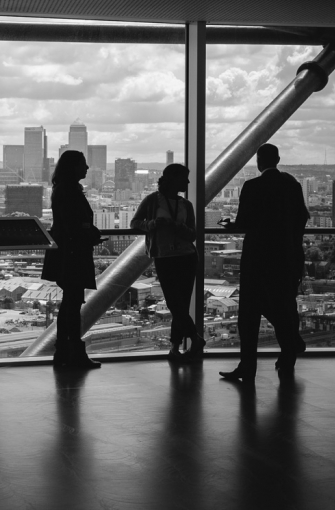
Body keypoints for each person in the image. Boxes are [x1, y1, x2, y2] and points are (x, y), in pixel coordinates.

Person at [219, 143, 309, 383]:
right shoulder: (292, 186)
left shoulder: (252, 186)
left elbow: (245, 223)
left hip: (257, 257)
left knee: (249, 314)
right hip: (286, 256)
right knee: (283, 304)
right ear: (278, 159)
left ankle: (248, 367)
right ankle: (288, 353)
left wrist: (230, 226)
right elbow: (302, 218)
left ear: (259, 161)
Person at [131, 163, 205, 362]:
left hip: (186, 256)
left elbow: (192, 235)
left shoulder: (186, 205)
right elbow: (135, 223)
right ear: (173, 179)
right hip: (166, 257)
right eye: (184, 178)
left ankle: (175, 348)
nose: (188, 182)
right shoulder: (152, 201)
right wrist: (153, 224)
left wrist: (175, 226)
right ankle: (195, 338)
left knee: (179, 304)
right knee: (176, 304)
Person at [41, 150, 102, 369]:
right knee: (72, 304)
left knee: (70, 303)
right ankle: (73, 352)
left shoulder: (61, 190)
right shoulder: (70, 191)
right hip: (73, 253)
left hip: (65, 252)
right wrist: (89, 232)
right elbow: (74, 223)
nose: (86, 168)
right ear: (73, 167)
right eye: (83, 164)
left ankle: (65, 351)